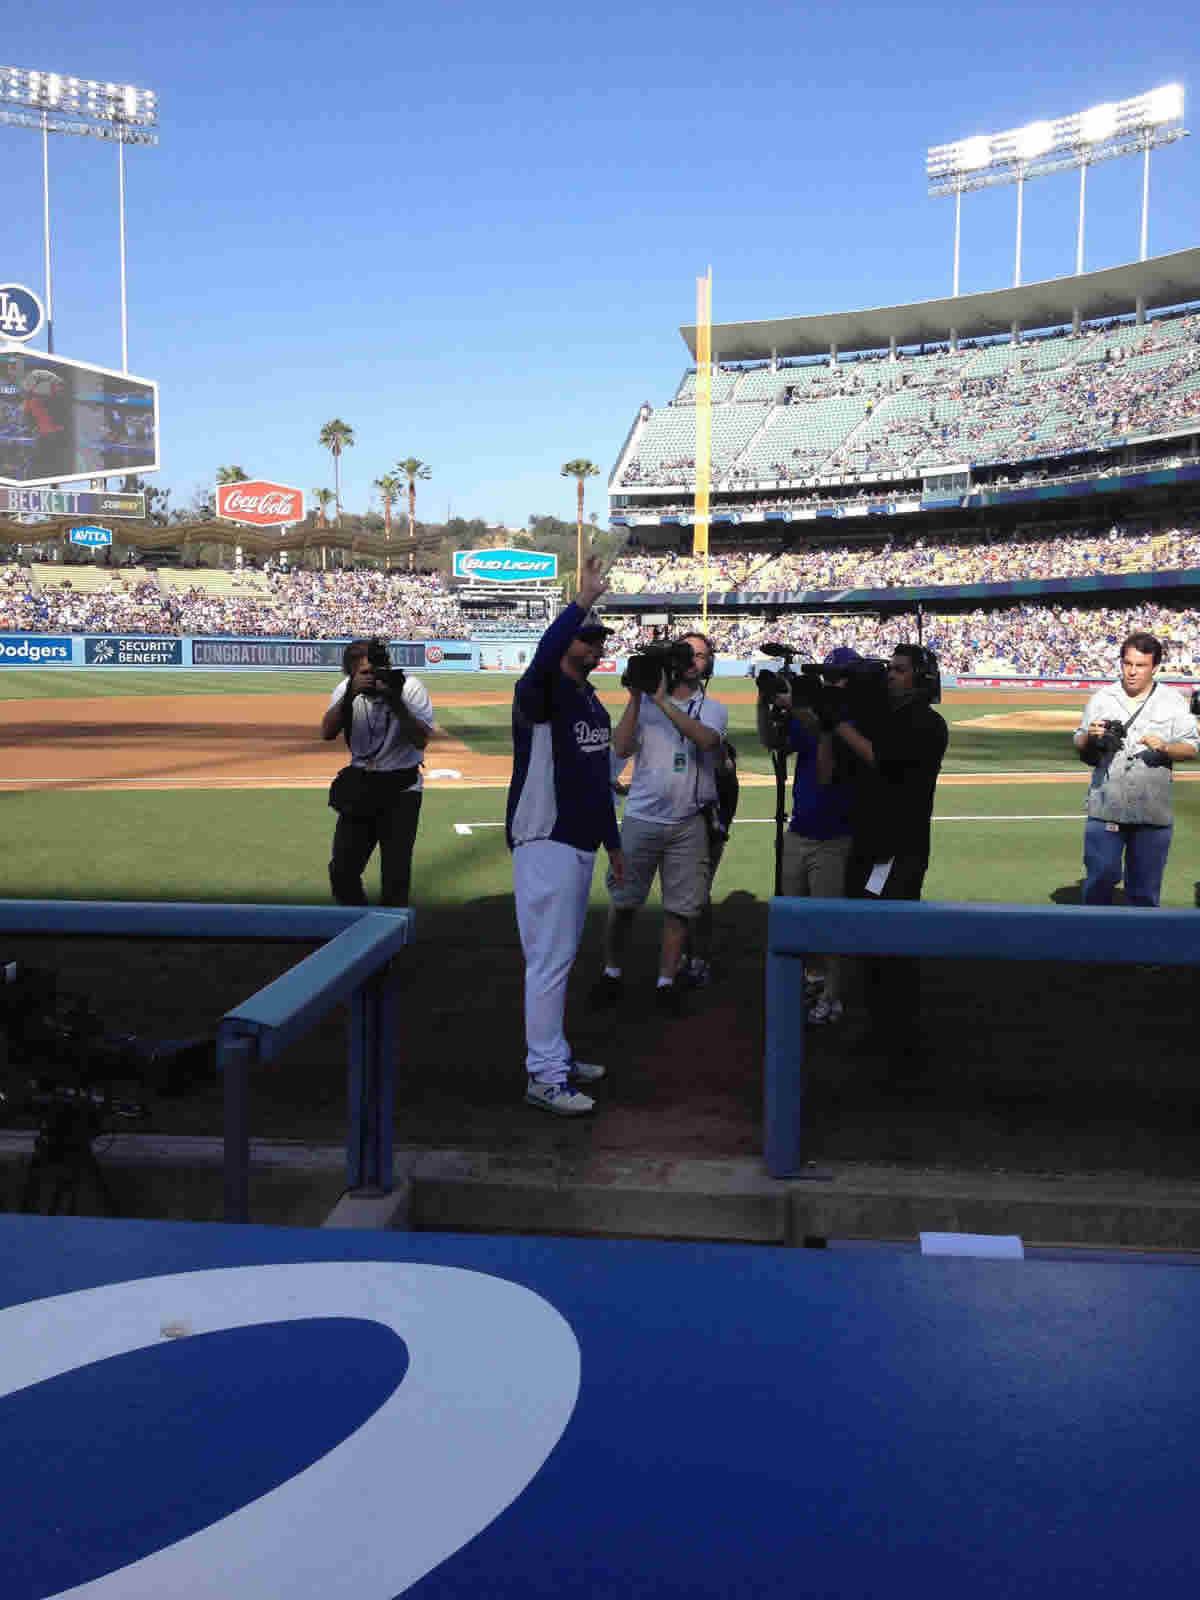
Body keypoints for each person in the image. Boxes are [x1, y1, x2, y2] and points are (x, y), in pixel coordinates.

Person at [507, 556, 624, 1116]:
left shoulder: (590, 699)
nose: (596, 645)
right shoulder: (540, 692)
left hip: (580, 839)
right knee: (549, 961)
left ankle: (555, 1054)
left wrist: (616, 844)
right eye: (587, 637)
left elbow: (599, 777)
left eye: (600, 639)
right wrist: (578, 602)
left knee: (562, 956)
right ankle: (545, 1075)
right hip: (545, 838)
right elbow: (543, 658)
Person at [592, 632, 728, 1012]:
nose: (691, 661)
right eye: (685, 654)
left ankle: (666, 982)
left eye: (699, 655)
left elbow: (706, 740)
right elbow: (620, 747)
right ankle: (612, 972)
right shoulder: (646, 705)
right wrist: (637, 696)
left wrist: (661, 701)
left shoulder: (712, 707)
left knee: (679, 910)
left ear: (708, 664)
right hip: (641, 817)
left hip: (688, 822)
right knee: (623, 903)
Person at [833, 644, 949, 1065]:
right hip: (871, 843)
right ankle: (880, 1028)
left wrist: (839, 724)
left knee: (892, 941)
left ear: (921, 678)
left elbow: (883, 759)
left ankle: (899, 1037)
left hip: (898, 849)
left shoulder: (928, 724)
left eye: (899, 671)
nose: (891, 676)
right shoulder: (886, 717)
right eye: (890, 670)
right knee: (869, 938)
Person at [757, 647, 862, 1025]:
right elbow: (773, 743)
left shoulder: (853, 719)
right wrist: (764, 701)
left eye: (838, 676)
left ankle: (832, 996)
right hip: (799, 828)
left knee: (828, 923)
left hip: (834, 835)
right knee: (794, 916)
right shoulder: (812, 716)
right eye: (827, 676)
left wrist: (808, 713)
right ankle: (809, 979)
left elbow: (827, 767)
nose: (832, 682)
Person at [1073, 631, 1197, 905]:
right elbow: (1079, 741)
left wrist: (1165, 747)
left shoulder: (1173, 701)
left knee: (1144, 893)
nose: (1132, 671)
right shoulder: (1102, 698)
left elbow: (1191, 747)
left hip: (1152, 811)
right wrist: (1089, 737)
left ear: (1154, 667)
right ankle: (1092, 942)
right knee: (1100, 879)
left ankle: (1140, 946)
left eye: (1140, 665)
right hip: (1106, 806)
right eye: (1127, 663)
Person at [320, 638, 434, 907]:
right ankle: (359, 926)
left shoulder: (410, 688)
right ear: (351, 674)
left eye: (377, 671)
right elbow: (326, 732)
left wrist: (396, 702)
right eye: (365, 674)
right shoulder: (345, 690)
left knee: (395, 876)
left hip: (402, 790)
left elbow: (421, 740)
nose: (373, 678)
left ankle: (391, 937)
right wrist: (350, 694)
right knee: (342, 870)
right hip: (361, 788)